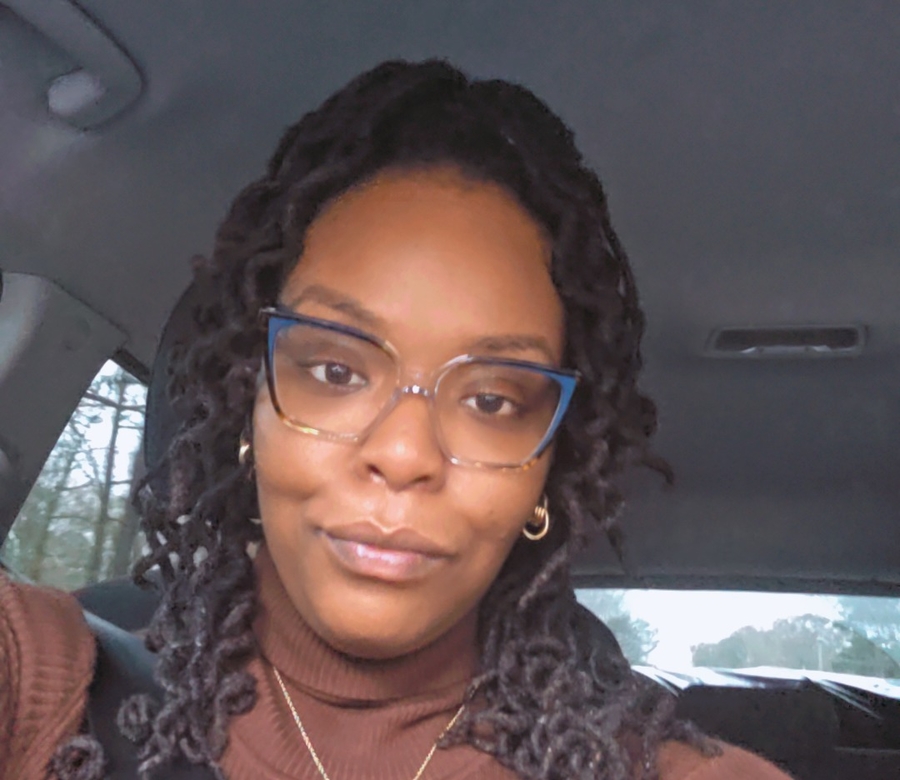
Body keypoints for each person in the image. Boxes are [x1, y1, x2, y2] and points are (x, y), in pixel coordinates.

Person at [0, 60, 793, 780]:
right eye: (336, 371)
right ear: (251, 399)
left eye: (491, 401)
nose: (405, 453)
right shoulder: (42, 677)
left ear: (548, 466)